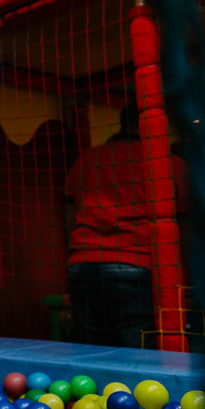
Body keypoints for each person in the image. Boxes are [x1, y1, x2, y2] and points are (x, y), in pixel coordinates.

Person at [65, 101, 188, 348]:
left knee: (90, 349)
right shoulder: (167, 162)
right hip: (134, 263)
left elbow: (70, 213)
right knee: (136, 349)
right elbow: (184, 223)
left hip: (83, 265)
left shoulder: (87, 160)